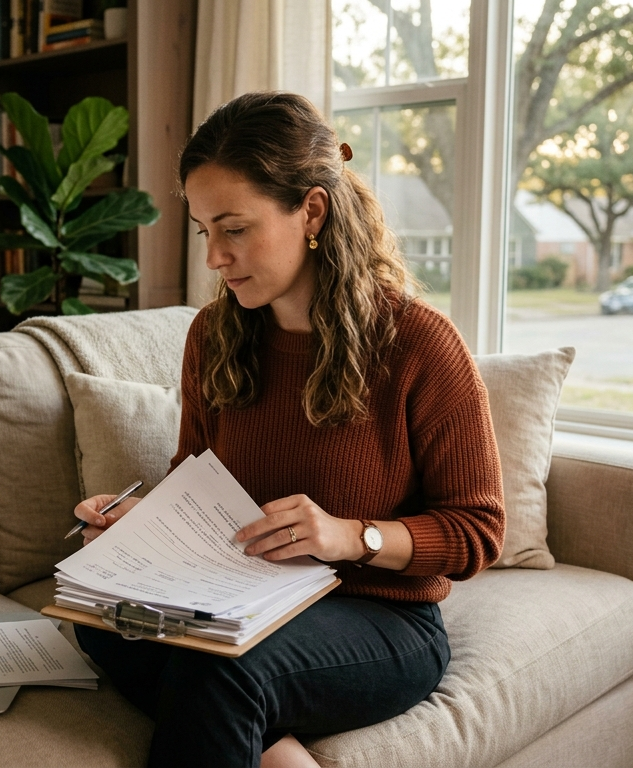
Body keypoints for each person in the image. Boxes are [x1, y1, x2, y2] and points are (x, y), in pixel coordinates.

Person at [71, 91, 505, 768]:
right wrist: (140, 522)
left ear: (312, 211)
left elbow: (477, 533)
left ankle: (252, 721)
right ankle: (274, 747)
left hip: (383, 617)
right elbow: (196, 483)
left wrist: (348, 535)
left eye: (234, 228)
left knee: (220, 671)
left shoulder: (419, 344)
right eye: (203, 231)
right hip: (241, 595)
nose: (214, 257)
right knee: (101, 622)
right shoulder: (212, 336)